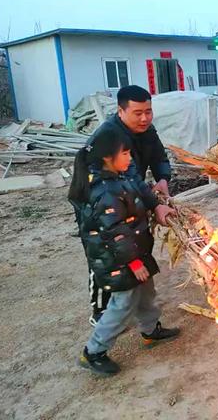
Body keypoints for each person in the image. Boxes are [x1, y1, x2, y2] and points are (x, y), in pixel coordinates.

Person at [69, 128, 180, 376]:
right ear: (109, 156)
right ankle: (93, 351)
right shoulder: (104, 190)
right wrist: (133, 263)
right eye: (126, 153)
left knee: (146, 292)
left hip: (135, 251)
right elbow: (115, 233)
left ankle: (151, 330)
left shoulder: (120, 177)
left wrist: (157, 207)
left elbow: (139, 195)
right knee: (123, 303)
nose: (130, 158)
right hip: (118, 259)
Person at [80, 85, 174, 326]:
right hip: (97, 203)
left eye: (148, 111)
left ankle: (139, 313)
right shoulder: (109, 138)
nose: (144, 118)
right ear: (121, 111)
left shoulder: (147, 131)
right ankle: (100, 312)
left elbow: (159, 158)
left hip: (129, 195)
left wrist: (162, 179)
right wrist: (156, 205)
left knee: (133, 246)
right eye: (137, 113)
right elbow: (130, 177)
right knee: (103, 254)